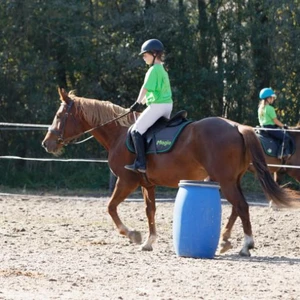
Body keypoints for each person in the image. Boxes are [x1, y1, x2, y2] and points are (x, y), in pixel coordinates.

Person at [125, 39, 173, 173]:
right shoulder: (162, 70)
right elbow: (155, 91)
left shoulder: (153, 70)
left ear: (154, 53)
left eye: (145, 55)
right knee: (148, 129)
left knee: (136, 130)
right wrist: (144, 101)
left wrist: (137, 103)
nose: (143, 58)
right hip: (167, 106)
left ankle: (141, 163)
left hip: (158, 107)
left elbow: (144, 88)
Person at [258, 87, 290, 158]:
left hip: (263, 128)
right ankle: (280, 153)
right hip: (270, 128)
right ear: (268, 98)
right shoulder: (270, 108)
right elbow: (275, 121)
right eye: (272, 98)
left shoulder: (260, 109)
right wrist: (283, 126)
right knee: (286, 137)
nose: (273, 99)